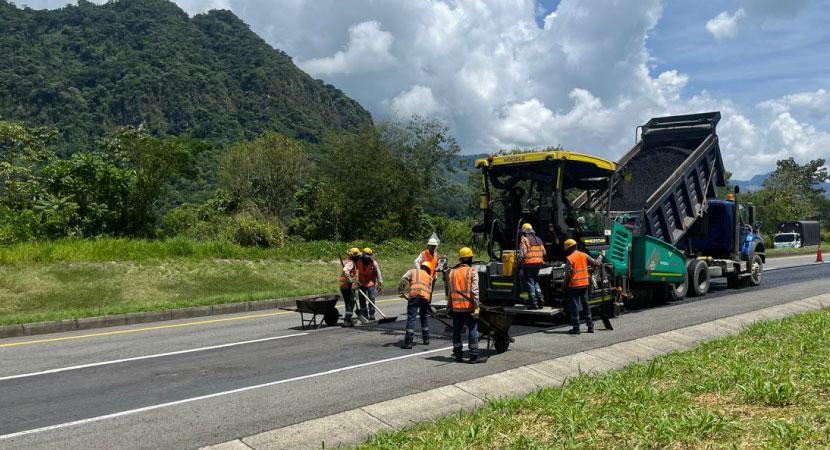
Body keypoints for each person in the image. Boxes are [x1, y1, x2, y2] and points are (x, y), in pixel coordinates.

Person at [447, 247, 485, 363]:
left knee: (456, 331)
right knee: (473, 329)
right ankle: (474, 355)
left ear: (460, 259)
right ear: (470, 258)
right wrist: (477, 306)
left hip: (456, 308)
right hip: (468, 307)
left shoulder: (452, 272)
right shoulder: (471, 271)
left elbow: (450, 291)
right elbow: (474, 290)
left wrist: (449, 306)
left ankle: (458, 355)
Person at [563, 239, 602, 334]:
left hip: (574, 286)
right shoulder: (584, 255)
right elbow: (596, 263)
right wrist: (601, 256)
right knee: (586, 305)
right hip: (584, 284)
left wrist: (564, 285)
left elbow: (567, 274)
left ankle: (576, 328)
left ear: (569, 248)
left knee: (575, 306)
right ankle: (590, 327)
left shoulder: (570, 258)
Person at [398, 263, 433, 349]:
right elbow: (429, 290)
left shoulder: (412, 271)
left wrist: (400, 289)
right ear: (428, 270)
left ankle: (408, 342)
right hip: (425, 298)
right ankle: (426, 339)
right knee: (424, 317)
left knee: (411, 319)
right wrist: (428, 304)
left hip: (414, 296)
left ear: (421, 267)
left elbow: (404, 279)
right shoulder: (429, 277)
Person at [518, 223, 546, 310]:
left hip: (528, 264)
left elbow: (522, 253)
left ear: (524, 232)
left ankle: (534, 303)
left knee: (530, 282)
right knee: (535, 281)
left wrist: (518, 261)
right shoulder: (538, 240)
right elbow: (544, 253)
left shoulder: (524, 240)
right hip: (538, 264)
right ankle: (540, 299)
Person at [356, 247, 383, 321]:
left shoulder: (373, 262)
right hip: (360, 282)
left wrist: (380, 282)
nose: (369, 258)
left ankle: (371, 314)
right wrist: (355, 281)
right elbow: (354, 271)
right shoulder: (358, 260)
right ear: (364, 255)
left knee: (372, 298)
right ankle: (364, 314)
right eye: (367, 257)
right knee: (362, 299)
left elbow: (378, 272)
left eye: (370, 256)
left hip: (370, 282)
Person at [339, 247, 361, 326]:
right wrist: (350, 279)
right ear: (355, 256)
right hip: (347, 286)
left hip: (344, 286)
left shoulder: (347, 261)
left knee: (349, 303)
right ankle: (347, 320)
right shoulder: (351, 263)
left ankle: (348, 319)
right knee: (350, 303)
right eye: (358, 256)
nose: (359, 257)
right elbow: (345, 270)